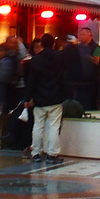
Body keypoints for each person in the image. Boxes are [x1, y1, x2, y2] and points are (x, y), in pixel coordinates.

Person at [25, 32, 66, 165]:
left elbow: (31, 81)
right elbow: (63, 76)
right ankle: (52, 154)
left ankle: (35, 152)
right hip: (56, 98)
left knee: (38, 126)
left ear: (41, 44)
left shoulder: (35, 60)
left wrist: (28, 98)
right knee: (54, 127)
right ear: (53, 44)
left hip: (39, 98)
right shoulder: (59, 58)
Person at [63, 26, 100, 109]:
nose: (80, 36)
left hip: (91, 81)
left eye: (83, 34)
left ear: (89, 35)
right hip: (78, 81)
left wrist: (85, 55)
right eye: (80, 34)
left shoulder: (95, 47)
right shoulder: (77, 47)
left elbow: (96, 61)